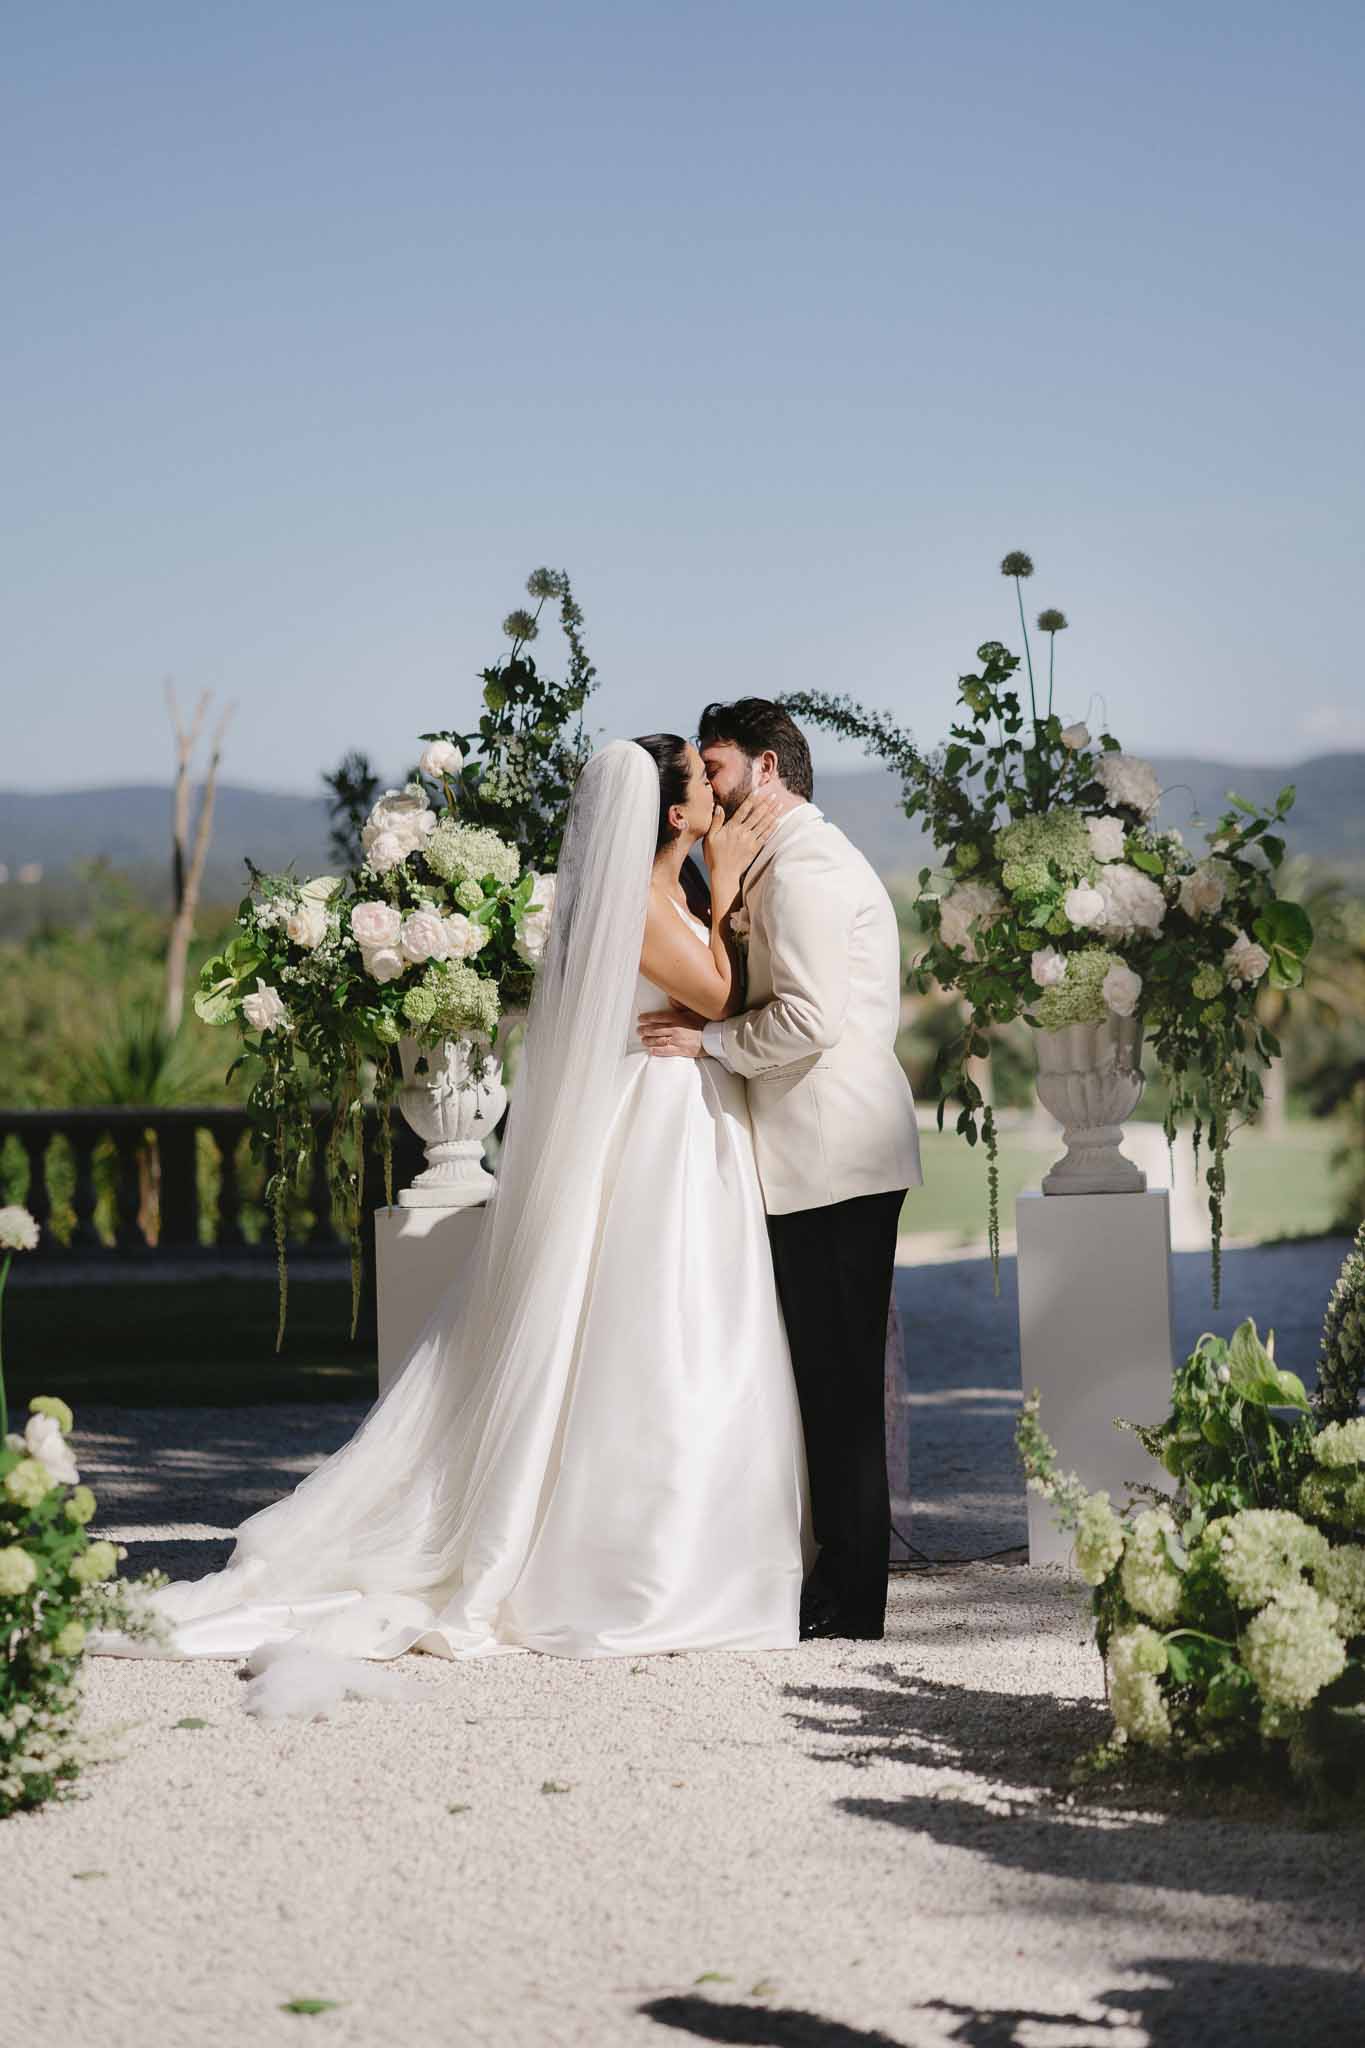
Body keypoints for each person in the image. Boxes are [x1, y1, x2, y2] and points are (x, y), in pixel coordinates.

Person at [98, 738, 810, 1668]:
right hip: (655, 1124)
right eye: (701, 789)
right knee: (650, 1315)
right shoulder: (646, 898)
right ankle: (632, 1554)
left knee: (670, 1314)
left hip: (668, 1113)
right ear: (677, 816)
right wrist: (723, 886)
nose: (717, 799)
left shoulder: (642, 894)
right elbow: (716, 992)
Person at [638, 699, 921, 1641]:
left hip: (831, 1155)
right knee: (827, 1382)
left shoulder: (803, 867)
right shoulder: (775, 860)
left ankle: (850, 1605)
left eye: (714, 769)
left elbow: (808, 1019)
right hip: (815, 1154)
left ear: (765, 769)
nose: (707, 791)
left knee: (839, 1389)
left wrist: (707, 1041)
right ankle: (834, 1583)